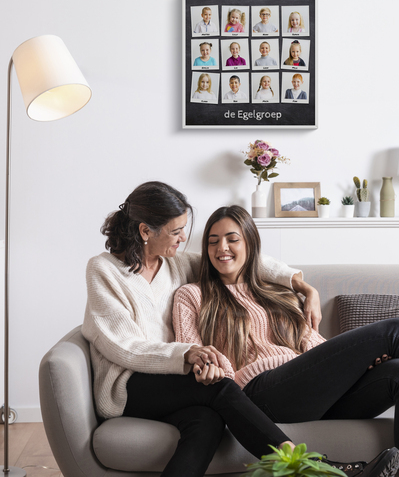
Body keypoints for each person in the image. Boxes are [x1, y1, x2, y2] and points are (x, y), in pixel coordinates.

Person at [173, 204, 399, 477]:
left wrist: (356, 365)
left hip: (311, 391)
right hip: (261, 393)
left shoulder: (279, 293)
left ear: (251, 245)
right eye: (213, 242)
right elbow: (190, 350)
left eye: (232, 239)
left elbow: (312, 345)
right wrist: (210, 369)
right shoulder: (193, 294)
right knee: (394, 330)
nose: (221, 249)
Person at [81, 182, 342, 477]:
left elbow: (246, 259)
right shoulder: (103, 270)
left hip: (172, 381)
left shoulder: (175, 263)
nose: (183, 238)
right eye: (176, 231)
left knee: (206, 421)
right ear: (145, 231)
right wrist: (189, 353)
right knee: (218, 387)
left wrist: (305, 287)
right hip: (129, 384)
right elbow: (123, 345)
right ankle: (305, 467)